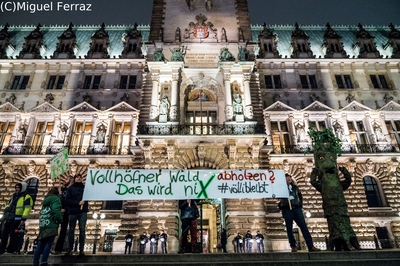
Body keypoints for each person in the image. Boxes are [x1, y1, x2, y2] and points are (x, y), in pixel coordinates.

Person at [278, 173, 320, 252]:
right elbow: (277, 197)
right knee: (289, 229)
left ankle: (310, 246)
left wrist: (300, 205)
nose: (289, 179)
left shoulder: (295, 188)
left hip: (297, 209)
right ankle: (293, 246)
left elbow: (300, 196)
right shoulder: (281, 189)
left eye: (289, 177)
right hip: (287, 209)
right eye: (287, 178)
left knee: (304, 227)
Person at [0, 182, 33, 255]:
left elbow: (27, 209)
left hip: (17, 219)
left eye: (18, 188)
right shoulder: (13, 196)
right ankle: (2, 249)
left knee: (13, 235)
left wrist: (23, 219)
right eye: (16, 188)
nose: (17, 189)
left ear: (22, 188)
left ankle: (10, 250)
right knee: (4, 234)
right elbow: (8, 205)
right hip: (9, 218)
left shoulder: (26, 197)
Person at [33, 187, 63, 266]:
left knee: (40, 244)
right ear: (57, 192)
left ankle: (35, 262)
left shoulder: (46, 199)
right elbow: (55, 210)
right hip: (51, 223)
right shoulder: (56, 199)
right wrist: (60, 219)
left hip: (43, 223)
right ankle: (44, 262)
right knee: (48, 244)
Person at [64, 174, 89, 256]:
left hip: (82, 211)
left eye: (80, 177)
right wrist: (78, 203)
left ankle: (81, 249)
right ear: (74, 179)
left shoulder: (85, 188)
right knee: (71, 230)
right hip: (73, 212)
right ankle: (70, 249)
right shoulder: (70, 189)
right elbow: (67, 200)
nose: (79, 178)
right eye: (77, 177)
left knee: (82, 230)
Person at [53, 176, 73, 254]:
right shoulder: (62, 190)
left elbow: (71, 202)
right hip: (61, 211)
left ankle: (66, 249)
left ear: (71, 181)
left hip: (69, 212)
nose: (65, 180)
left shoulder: (72, 190)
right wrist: (60, 195)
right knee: (58, 230)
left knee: (67, 230)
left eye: (67, 179)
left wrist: (66, 209)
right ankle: (57, 248)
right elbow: (59, 200)